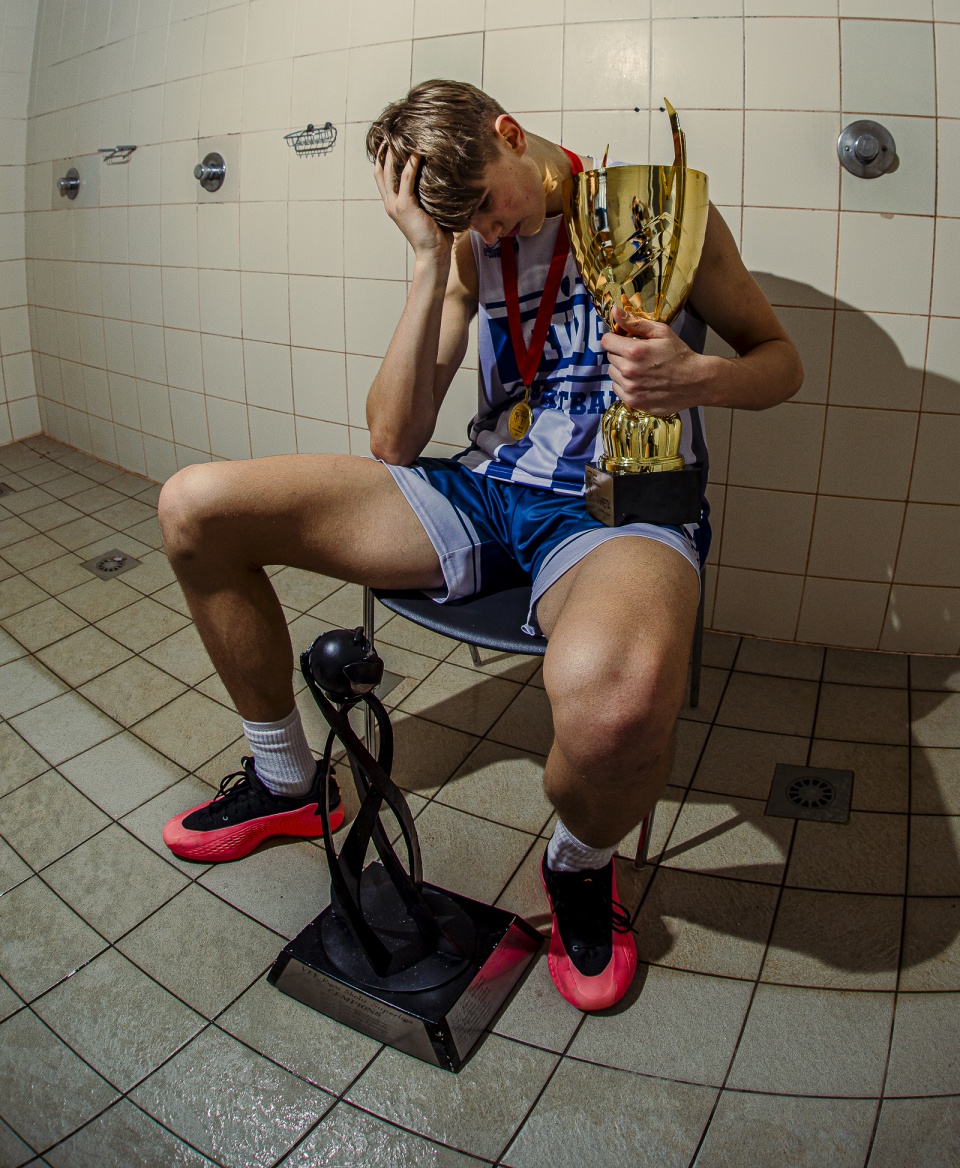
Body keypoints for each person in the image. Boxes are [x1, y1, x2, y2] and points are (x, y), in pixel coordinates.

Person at [157, 79, 803, 1011]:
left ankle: (578, 867)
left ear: (510, 134)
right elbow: (393, 441)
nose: (490, 233)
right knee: (195, 506)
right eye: (467, 225)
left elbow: (780, 363)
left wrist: (699, 376)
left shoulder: (655, 213)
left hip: (617, 508)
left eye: (489, 209)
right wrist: (431, 261)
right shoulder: (466, 243)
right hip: (487, 489)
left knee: (618, 705)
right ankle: (289, 781)